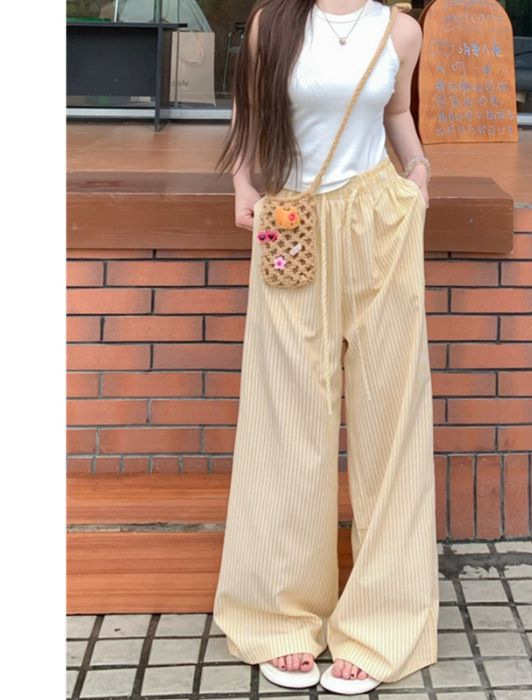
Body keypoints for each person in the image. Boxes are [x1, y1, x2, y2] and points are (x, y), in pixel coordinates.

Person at [212, 0, 438, 693]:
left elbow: (396, 113)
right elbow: (252, 112)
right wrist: (243, 183)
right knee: (288, 417)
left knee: (389, 416)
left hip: (379, 221)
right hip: (292, 220)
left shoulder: (401, 29)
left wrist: (419, 170)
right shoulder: (274, 22)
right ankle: (281, 616)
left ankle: (383, 624)